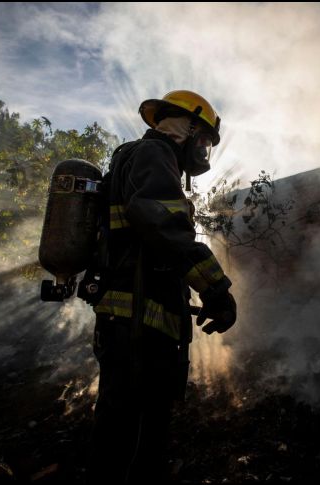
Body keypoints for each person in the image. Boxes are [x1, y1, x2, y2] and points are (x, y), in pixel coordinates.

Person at [87, 90, 237, 484]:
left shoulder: (137, 159)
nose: (204, 149)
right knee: (133, 437)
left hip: (131, 321)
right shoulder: (155, 156)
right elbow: (166, 229)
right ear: (184, 127)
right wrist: (217, 289)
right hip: (138, 326)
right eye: (203, 138)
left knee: (125, 429)